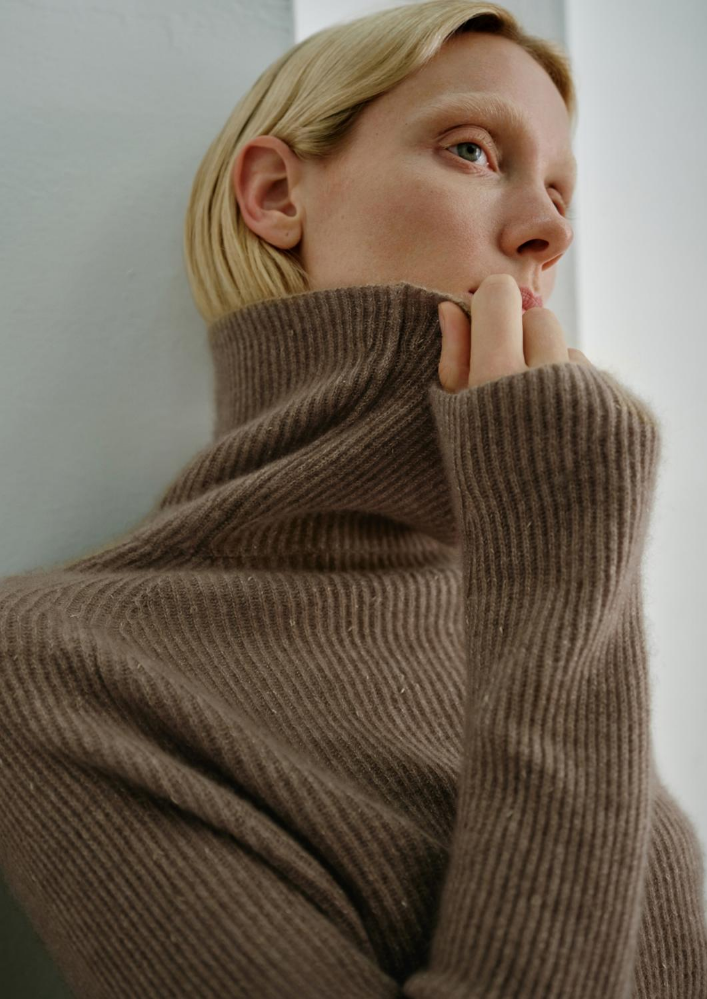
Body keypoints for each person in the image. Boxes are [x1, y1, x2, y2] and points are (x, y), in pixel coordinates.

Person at [1, 2, 706, 997]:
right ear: (275, 193)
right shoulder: (59, 664)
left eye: (558, 191)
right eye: (472, 150)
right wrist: (561, 569)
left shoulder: (519, 595)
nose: (550, 232)